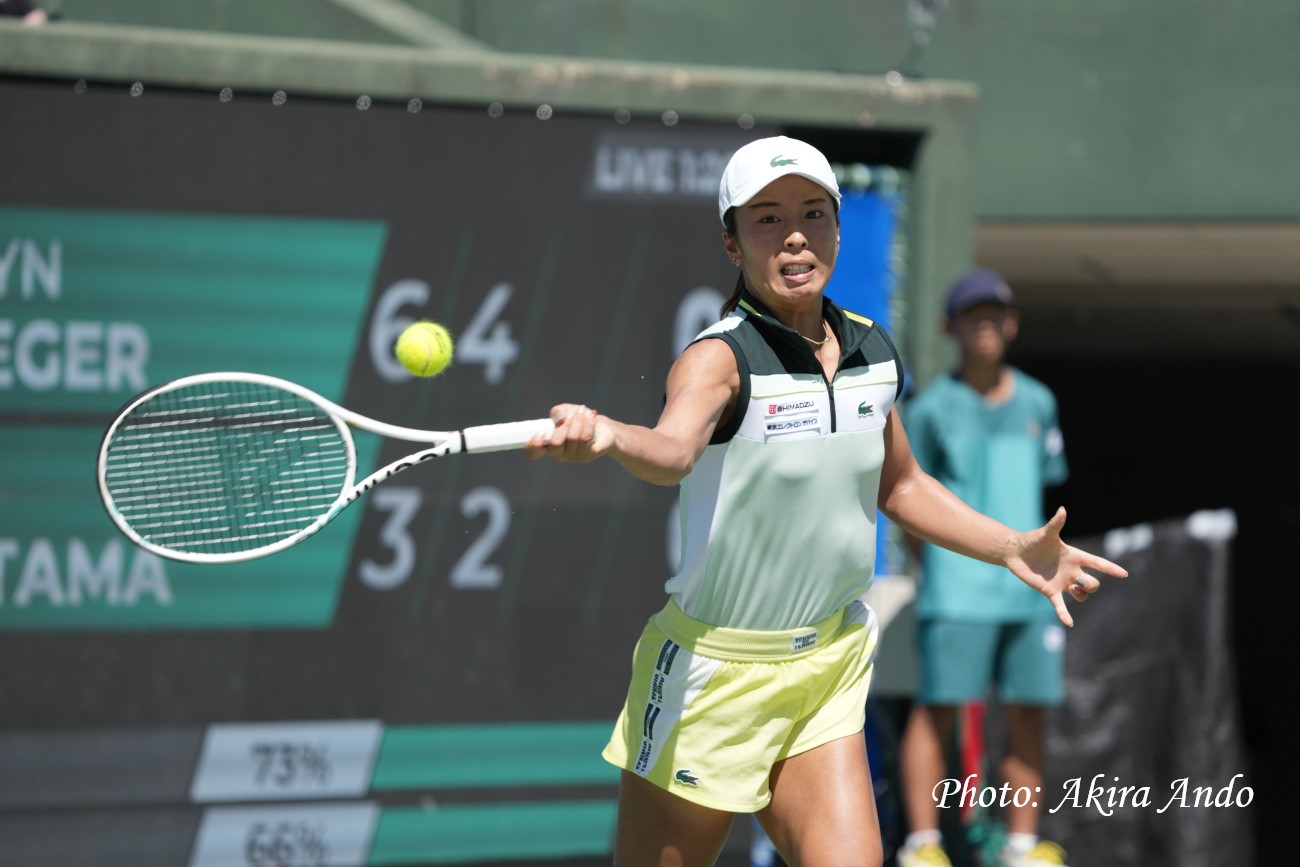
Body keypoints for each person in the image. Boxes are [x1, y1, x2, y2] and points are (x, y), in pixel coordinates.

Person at [524, 136, 1124, 867]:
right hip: (713, 675)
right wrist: (611, 436)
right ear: (732, 240)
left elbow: (900, 484)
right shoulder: (719, 358)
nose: (796, 234)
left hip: (826, 663)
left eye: (813, 212)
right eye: (768, 219)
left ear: (837, 226)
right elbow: (673, 450)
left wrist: (1010, 546)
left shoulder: (873, 349)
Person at [895, 269, 1072, 867]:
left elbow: (1045, 502)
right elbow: (909, 505)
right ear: (951, 328)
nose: (986, 325)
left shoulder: (1039, 403)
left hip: (1030, 595)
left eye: (995, 315)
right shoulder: (928, 409)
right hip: (956, 594)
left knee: (1029, 712)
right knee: (938, 709)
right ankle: (923, 845)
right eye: (974, 316)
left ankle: (1022, 845)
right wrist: (944, 575)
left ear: (1012, 325)